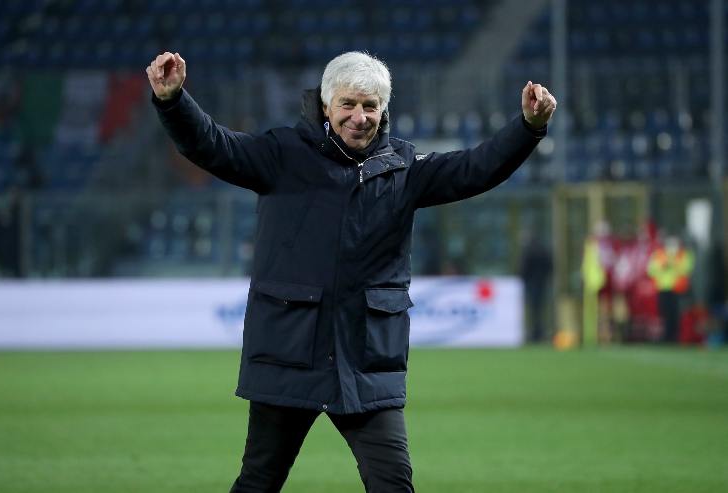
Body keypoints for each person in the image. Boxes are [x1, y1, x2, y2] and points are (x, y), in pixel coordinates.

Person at [147, 50, 556, 492]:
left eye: (370, 106)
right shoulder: (282, 154)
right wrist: (173, 101)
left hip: (364, 363)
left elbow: (476, 168)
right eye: (348, 104)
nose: (359, 117)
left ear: (383, 111)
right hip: (290, 356)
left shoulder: (404, 168)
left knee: (394, 483)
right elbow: (213, 145)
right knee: (258, 482)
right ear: (325, 106)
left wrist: (528, 128)